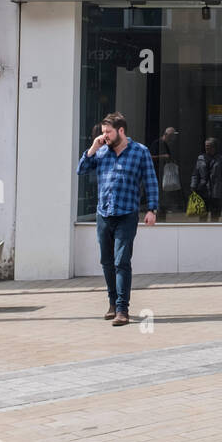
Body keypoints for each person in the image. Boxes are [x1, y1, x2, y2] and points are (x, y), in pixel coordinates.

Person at [78, 111, 159, 325]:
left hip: (127, 214)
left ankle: (123, 309)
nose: (104, 136)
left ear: (120, 131)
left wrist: (152, 209)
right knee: (106, 262)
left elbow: (150, 181)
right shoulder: (102, 151)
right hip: (104, 214)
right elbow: (81, 170)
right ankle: (112, 303)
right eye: (103, 132)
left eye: (108, 132)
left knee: (121, 261)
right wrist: (93, 147)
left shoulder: (140, 152)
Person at [191, 137, 222, 221]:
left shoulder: (220, 159)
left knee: (215, 213)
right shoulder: (200, 158)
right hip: (203, 189)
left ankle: (214, 230)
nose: (207, 147)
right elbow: (195, 173)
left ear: (214, 147)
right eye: (206, 145)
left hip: (216, 189)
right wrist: (193, 186)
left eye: (209, 146)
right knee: (203, 214)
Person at [149, 126, 180, 221]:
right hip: (157, 175)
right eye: (172, 136)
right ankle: (158, 216)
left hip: (164, 175)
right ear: (167, 135)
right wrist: (163, 156)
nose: (173, 139)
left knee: (164, 197)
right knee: (159, 197)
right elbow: (150, 157)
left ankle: (162, 215)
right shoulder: (157, 143)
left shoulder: (166, 144)